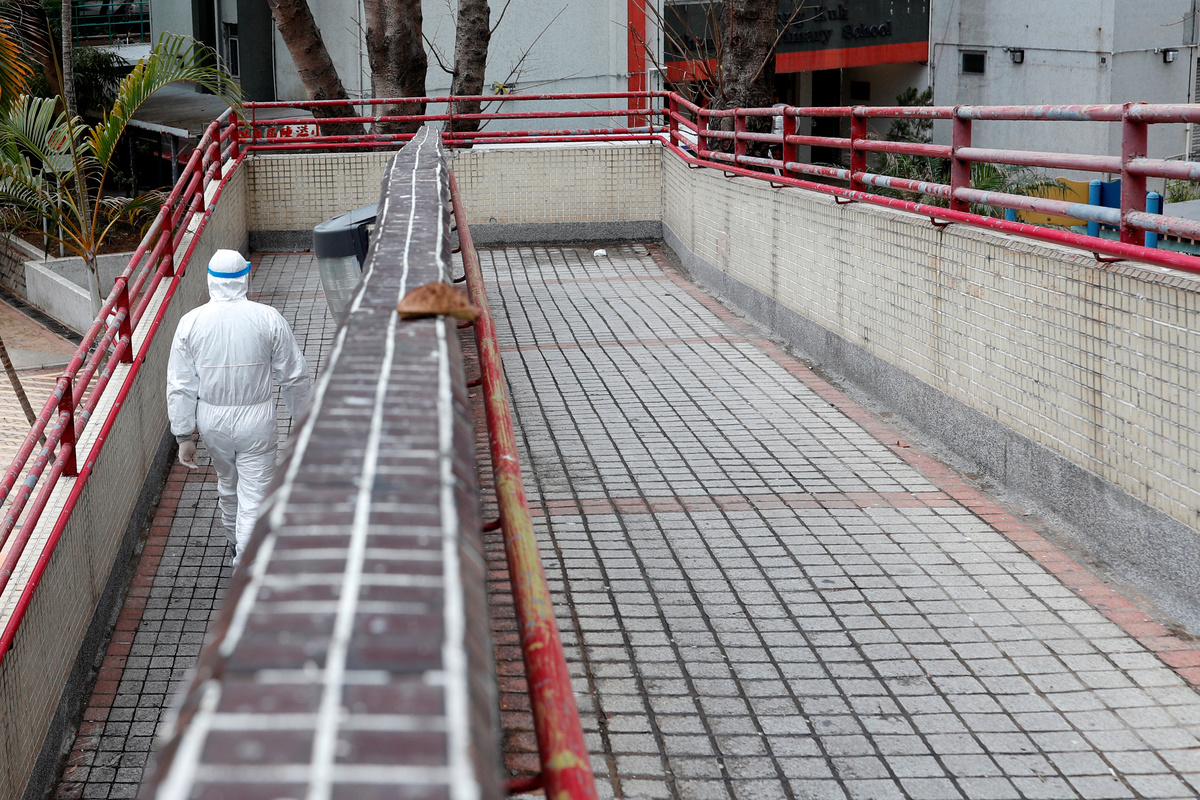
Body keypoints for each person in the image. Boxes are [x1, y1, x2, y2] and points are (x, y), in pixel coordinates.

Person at [166, 249, 313, 564]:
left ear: (210, 280)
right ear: (244, 277)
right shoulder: (267, 317)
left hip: (212, 421)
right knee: (255, 494)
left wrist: (183, 435)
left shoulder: (190, 322)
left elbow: (180, 384)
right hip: (256, 420)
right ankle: (246, 562)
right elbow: (294, 377)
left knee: (228, 484)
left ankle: (235, 542)